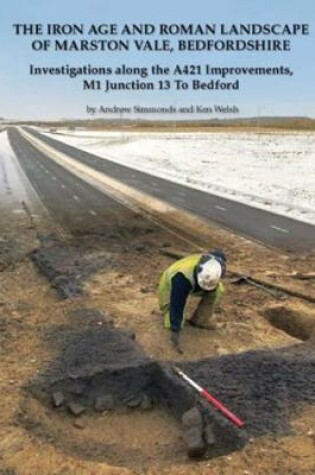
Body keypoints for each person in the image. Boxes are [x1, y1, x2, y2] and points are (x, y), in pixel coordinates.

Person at [158, 250, 226, 353]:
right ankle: (171, 321)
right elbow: (177, 304)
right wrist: (175, 330)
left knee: (218, 290)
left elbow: (219, 254)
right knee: (170, 321)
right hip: (170, 283)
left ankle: (200, 319)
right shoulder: (181, 279)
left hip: (198, 283)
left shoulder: (215, 265)